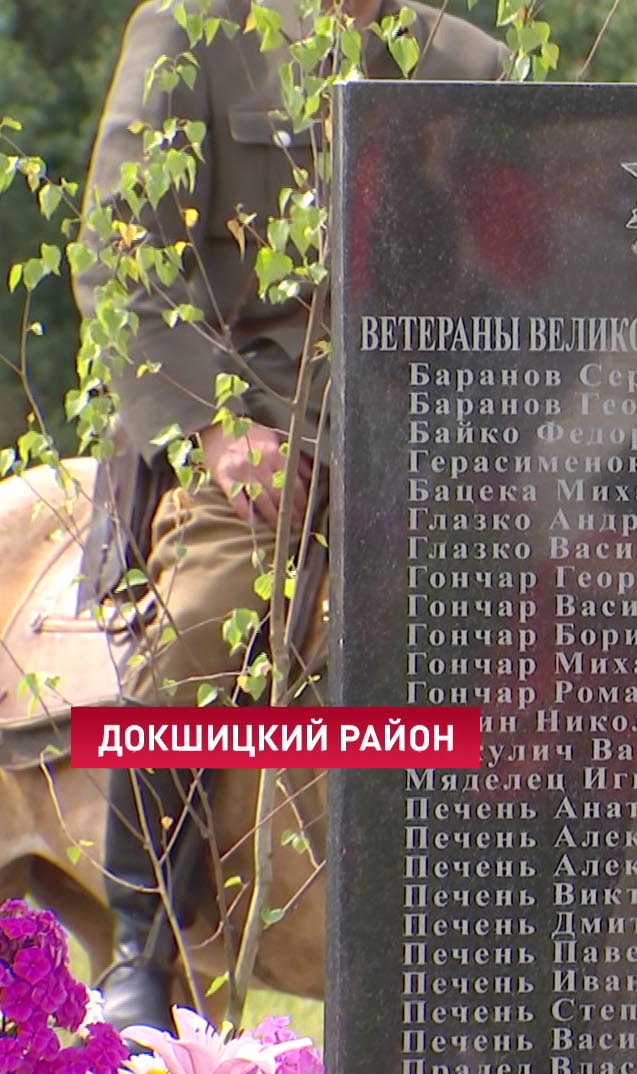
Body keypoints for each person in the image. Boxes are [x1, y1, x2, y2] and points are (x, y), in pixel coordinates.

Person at [73, 0, 507, 1031]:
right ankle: (144, 943)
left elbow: (515, 278)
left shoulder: (468, 64)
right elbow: (119, 261)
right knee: (203, 623)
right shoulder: (194, 32)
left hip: (422, 438)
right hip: (254, 431)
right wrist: (217, 434)